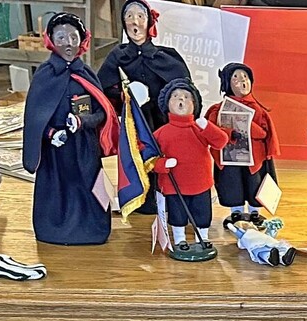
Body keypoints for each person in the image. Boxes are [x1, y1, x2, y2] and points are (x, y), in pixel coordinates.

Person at [23, 13, 119, 245]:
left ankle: (92, 228)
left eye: (73, 37)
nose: (68, 43)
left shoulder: (87, 75)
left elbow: (101, 113)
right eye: (61, 37)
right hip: (56, 152)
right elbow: (35, 118)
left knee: (89, 189)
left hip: (85, 148)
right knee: (58, 190)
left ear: (83, 41)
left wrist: (82, 122)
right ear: (51, 40)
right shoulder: (44, 76)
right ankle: (54, 229)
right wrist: (50, 134)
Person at [99, 0, 191, 213]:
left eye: (140, 16)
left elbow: (184, 89)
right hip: (135, 126)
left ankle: (170, 197)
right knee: (138, 161)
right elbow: (102, 89)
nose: (135, 22)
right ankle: (142, 200)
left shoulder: (167, 56)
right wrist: (126, 96)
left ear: (149, 21)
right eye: (129, 17)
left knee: (166, 160)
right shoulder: (118, 56)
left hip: (162, 122)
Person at [152, 78, 228, 250]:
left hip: (200, 183)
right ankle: (180, 240)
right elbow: (148, 158)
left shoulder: (199, 129)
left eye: (187, 97)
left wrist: (207, 127)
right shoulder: (161, 133)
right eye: (176, 96)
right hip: (173, 184)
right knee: (177, 214)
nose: (181, 100)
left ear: (194, 104)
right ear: (167, 103)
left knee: (202, 212)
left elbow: (221, 141)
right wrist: (162, 164)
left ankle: (203, 237)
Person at [205, 63, 279, 227]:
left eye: (245, 77)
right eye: (236, 78)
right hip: (229, 157)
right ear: (227, 84)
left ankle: (254, 212)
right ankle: (236, 211)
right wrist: (230, 132)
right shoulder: (219, 110)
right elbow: (212, 131)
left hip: (254, 158)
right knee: (232, 183)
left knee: (255, 183)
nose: (243, 81)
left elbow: (264, 133)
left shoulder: (258, 110)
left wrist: (248, 125)